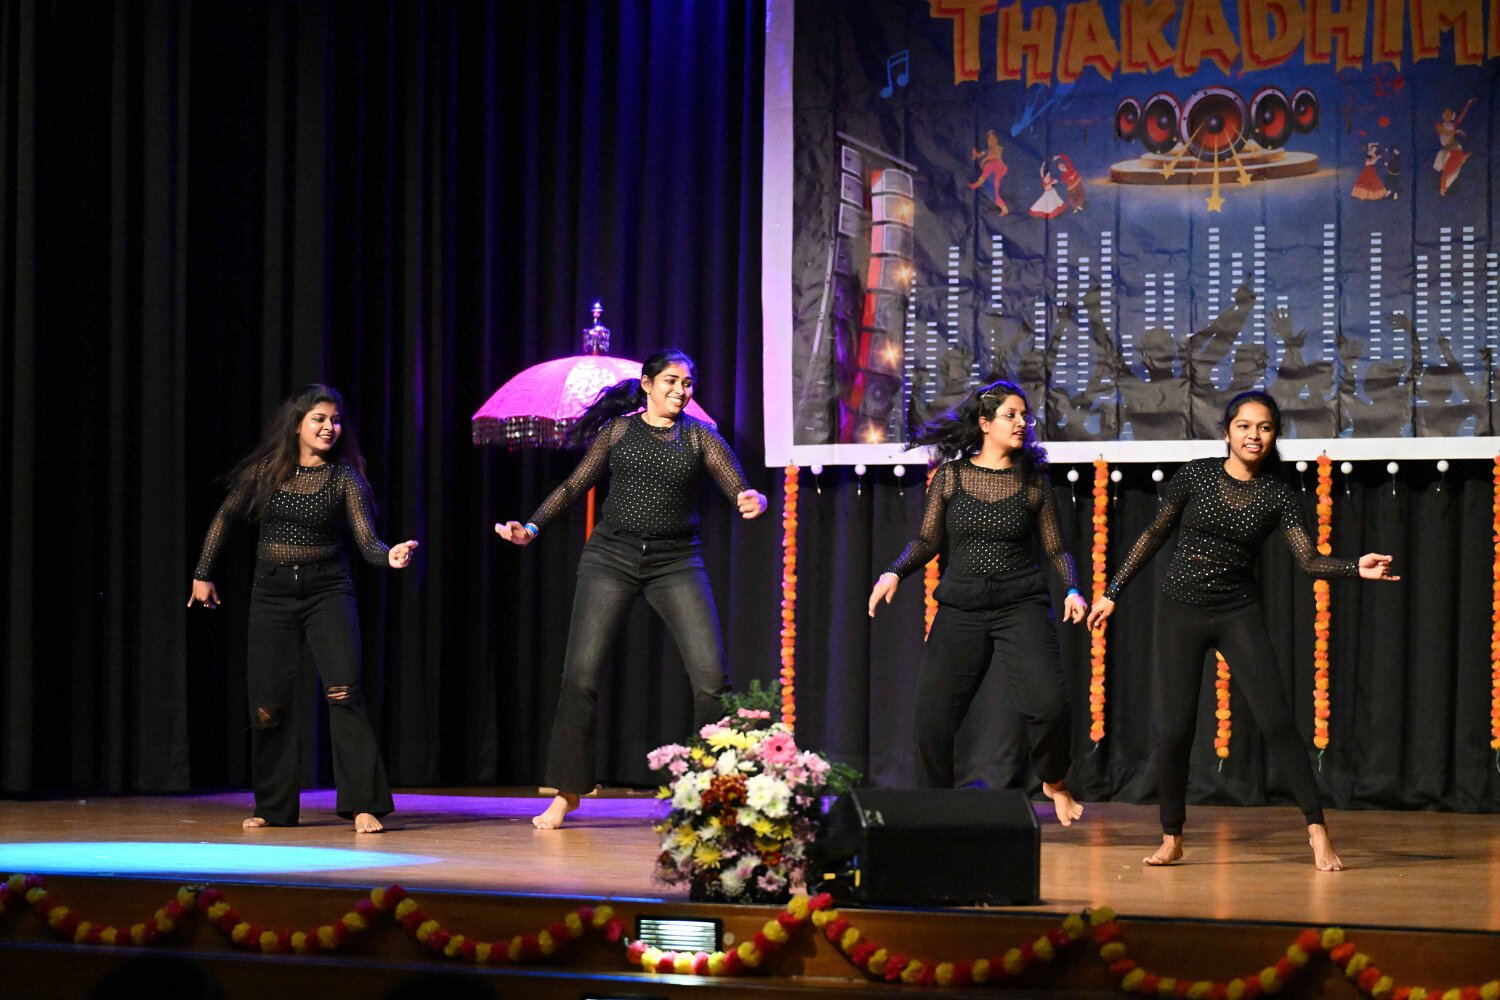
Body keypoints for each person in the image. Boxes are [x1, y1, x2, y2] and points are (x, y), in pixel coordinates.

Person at [1086, 390, 1399, 870]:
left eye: (1265, 428)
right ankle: (1172, 836)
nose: (1254, 436)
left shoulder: (1277, 494)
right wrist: (1112, 592)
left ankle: (1317, 831)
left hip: (1237, 612)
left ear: (1274, 435)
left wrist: (1355, 567)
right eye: (1244, 426)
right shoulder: (1196, 474)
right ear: (1227, 431)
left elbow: (1309, 560)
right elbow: (1153, 534)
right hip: (1180, 611)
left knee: (1277, 721)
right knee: (1174, 732)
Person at [497, 349, 767, 830]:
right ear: (647, 384)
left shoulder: (701, 436)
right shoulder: (618, 431)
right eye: (671, 381)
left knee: (711, 681)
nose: (681, 390)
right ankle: (567, 793)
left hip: (676, 561)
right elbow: (574, 485)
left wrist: (753, 498)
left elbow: (739, 486)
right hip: (611, 557)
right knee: (579, 678)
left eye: (688, 383)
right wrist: (532, 528)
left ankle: (713, 794)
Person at [189, 384, 418, 834]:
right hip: (272, 596)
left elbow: (367, 541)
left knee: (344, 693)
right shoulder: (265, 472)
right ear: (297, 424)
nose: (330, 427)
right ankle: (273, 807)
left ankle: (363, 805)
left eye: (335, 420)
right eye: (320, 419)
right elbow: (224, 517)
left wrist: (388, 554)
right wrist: (202, 572)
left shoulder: (345, 478)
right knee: (268, 705)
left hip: (328, 592)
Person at [868, 379, 1086, 826]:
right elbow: (927, 540)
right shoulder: (950, 477)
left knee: (1049, 707)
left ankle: (1053, 779)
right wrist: (894, 571)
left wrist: (1071, 588)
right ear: (985, 424)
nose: (1021, 423)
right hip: (961, 607)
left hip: (1019, 605)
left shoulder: (1033, 481)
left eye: (1025, 416)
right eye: (1011, 415)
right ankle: (935, 811)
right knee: (932, 721)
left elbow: (1056, 547)